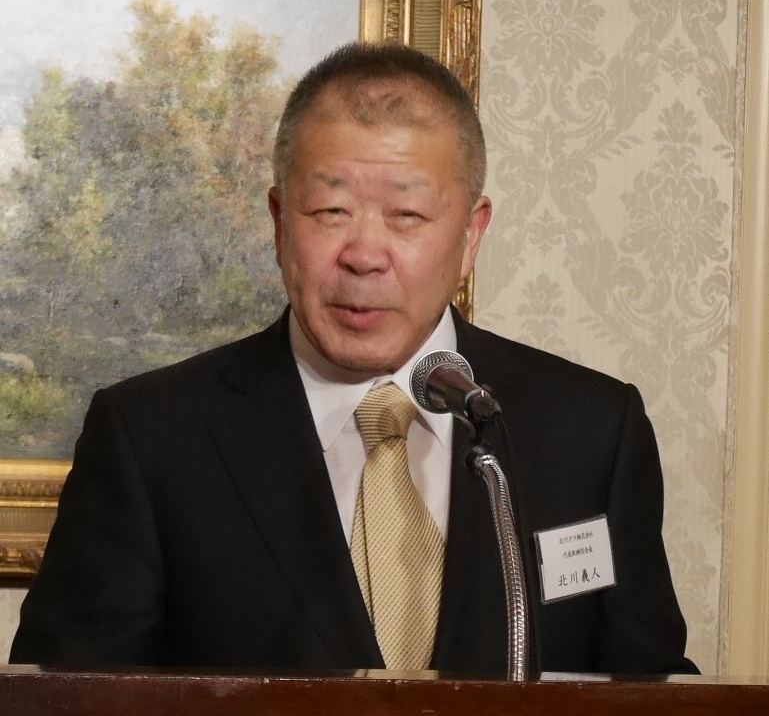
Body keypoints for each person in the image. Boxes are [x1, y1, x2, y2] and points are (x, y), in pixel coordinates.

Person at [10, 41, 697, 676]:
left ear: (470, 234)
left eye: (407, 217)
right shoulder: (150, 436)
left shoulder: (591, 430)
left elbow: (649, 688)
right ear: (280, 222)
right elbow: (65, 699)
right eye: (330, 211)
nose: (364, 256)